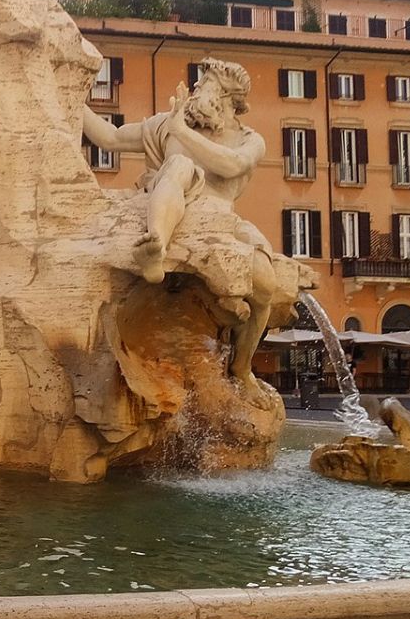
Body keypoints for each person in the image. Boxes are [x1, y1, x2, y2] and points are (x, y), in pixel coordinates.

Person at [80, 58, 272, 382]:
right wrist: (69, 95)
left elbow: (233, 165)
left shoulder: (248, 140)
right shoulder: (168, 124)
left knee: (266, 286)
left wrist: (181, 131)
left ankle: (241, 366)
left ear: (225, 95)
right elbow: (109, 138)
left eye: (205, 82)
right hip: (171, 205)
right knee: (180, 165)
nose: (195, 87)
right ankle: (154, 246)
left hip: (221, 219)